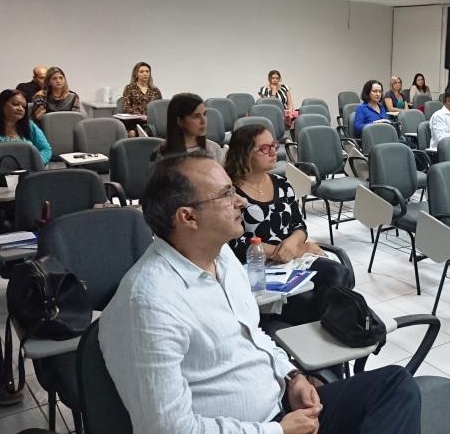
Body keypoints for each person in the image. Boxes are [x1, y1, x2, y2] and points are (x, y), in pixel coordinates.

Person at [99, 152, 420, 434]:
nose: (241, 201)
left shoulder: (222, 257)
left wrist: (292, 377)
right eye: (226, 195)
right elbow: (167, 429)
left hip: (280, 409)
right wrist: (277, 431)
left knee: (394, 385)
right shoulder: (148, 305)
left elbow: (253, 335)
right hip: (260, 427)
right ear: (188, 217)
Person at [223, 125, 353, 324]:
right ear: (244, 153)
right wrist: (295, 250)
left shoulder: (282, 183)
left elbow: (299, 226)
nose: (273, 152)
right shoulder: (231, 193)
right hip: (255, 266)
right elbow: (233, 244)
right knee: (324, 291)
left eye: (274, 145)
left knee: (338, 273)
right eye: (264, 148)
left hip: (290, 260)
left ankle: (320, 326)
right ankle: (313, 325)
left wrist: (293, 244)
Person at [155, 93, 222, 161]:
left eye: (204, 114)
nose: (203, 121)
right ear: (180, 121)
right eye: (196, 116)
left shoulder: (214, 148)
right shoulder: (163, 154)